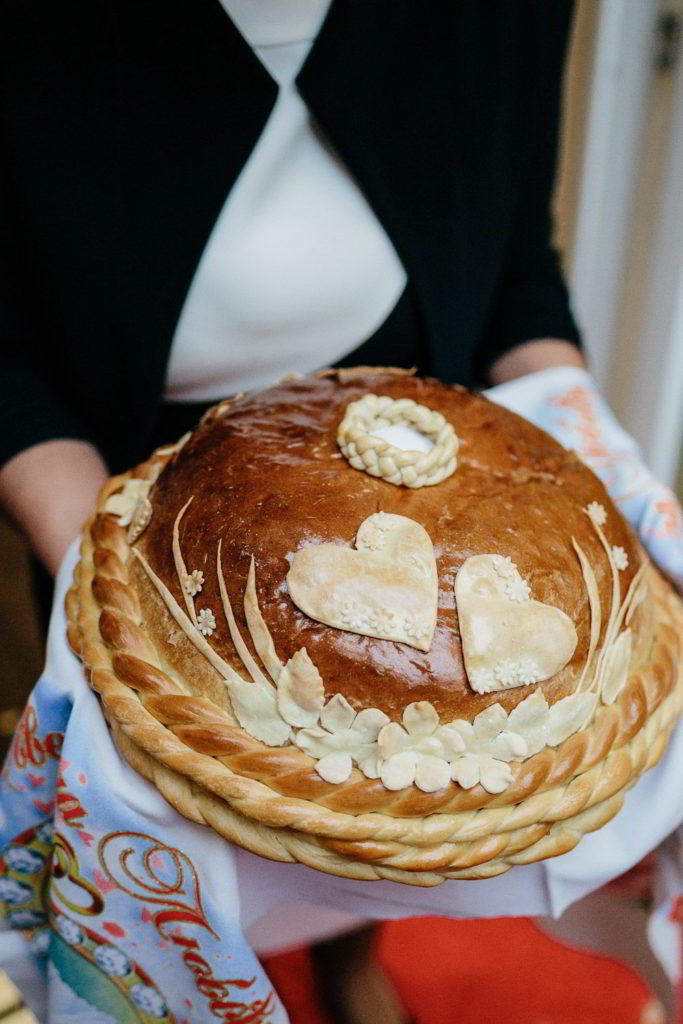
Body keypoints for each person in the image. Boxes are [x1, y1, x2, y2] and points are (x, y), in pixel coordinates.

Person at [0, 3, 681, 1022]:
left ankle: (349, 946)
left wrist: (595, 460)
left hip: (445, 458)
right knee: (177, 812)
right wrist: (105, 569)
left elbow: (514, 278)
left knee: (393, 750)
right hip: (133, 485)